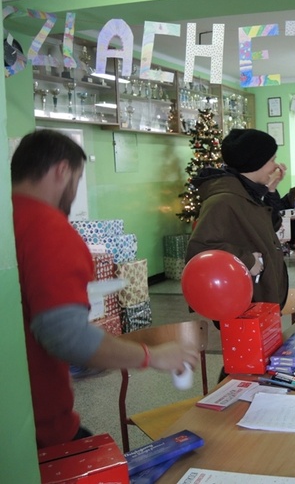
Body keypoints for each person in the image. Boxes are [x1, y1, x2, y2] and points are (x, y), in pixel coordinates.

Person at [11, 129, 199, 449]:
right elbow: (67, 337)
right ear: (62, 170)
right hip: (39, 433)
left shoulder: (8, 220)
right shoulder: (50, 230)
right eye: (78, 178)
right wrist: (152, 355)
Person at [186, 128, 289, 310]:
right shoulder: (224, 200)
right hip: (243, 304)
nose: (275, 166)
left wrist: (271, 190)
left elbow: (271, 225)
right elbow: (200, 248)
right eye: (271, 160)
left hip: (262, 300)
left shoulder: (249, 193)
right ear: (254, 163)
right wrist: (246, 260)